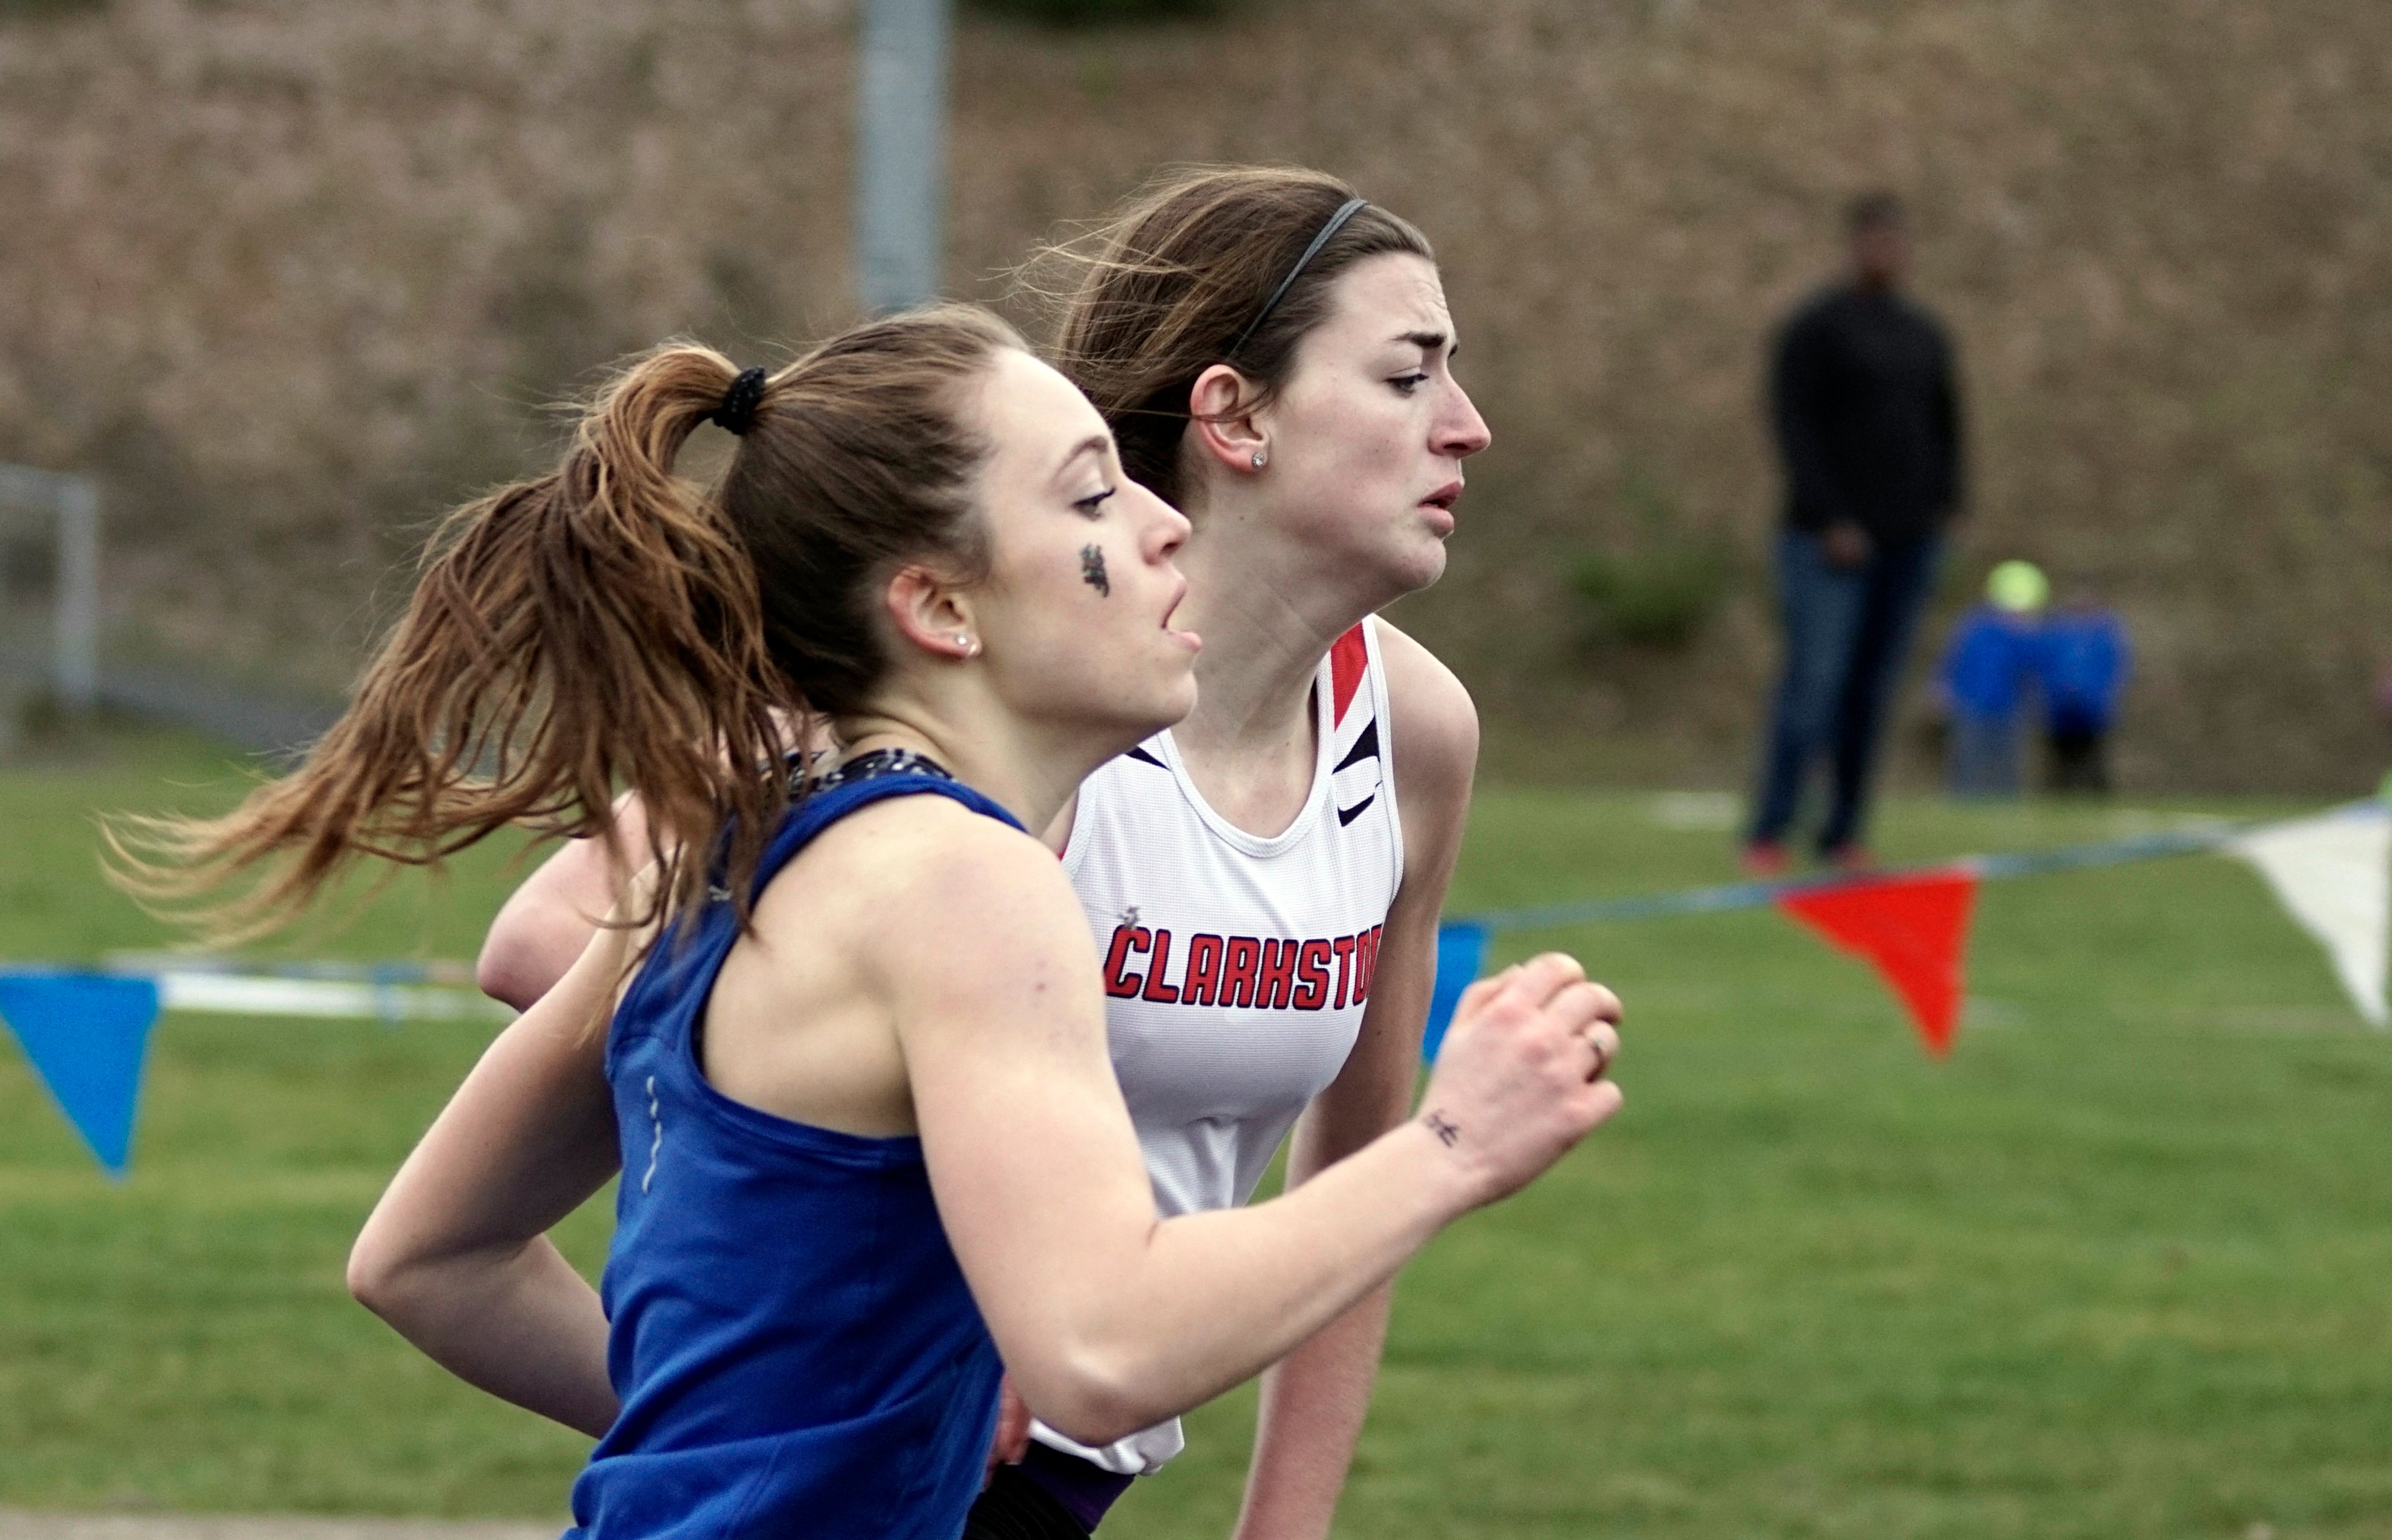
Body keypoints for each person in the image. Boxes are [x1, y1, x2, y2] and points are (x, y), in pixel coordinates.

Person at [111, 307, 1626, 1539]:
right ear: (940, 610)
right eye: (1093, 493)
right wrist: (1448, 1150)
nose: (1166, 528)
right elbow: (1102, 1346)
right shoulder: (969, 887)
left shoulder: (748, 843)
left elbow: (427, 1256)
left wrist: (824, 1436)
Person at [475, 168, 1504, 1538]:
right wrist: (939, 1326)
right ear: (1236, 414)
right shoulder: (1014, 704)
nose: (1468, 427)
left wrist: (1285, 1526)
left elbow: (1354, 1171)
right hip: (960, 1441)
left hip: (1068, 1467)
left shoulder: (1411, 732)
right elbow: (551, 933)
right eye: (1408, 374)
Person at [1746, 191, 1965, 871]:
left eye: (1899, 241)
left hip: (1907, 542)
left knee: (1872, 694)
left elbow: (1946, 425)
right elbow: (1793, 426)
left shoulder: (1923, 333)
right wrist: (1830, 518)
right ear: (1856, 245)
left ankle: (1842, 833)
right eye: (1877, 240)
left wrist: (1946, 506)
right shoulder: (1817, 328)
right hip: (1827, 545)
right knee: (1815, 684)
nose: (1888, 253)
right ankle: (1769, 829)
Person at [1937, 559, 2047, 796]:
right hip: (1972, 704)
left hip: (2009, 708)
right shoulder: (1975, 626)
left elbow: (2036, 670)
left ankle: (2004, 807)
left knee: (2006, 765)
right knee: (1968, 762)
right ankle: (1963, 804)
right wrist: (1942, 689)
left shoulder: (2030, 634)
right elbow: (1953, 659)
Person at [2036, 581, 2130, 793]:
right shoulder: (2056, 630)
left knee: (2093, 757)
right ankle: (2059, 798)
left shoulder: (2106, 632)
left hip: (2092, 708)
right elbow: (2044, 665)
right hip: (2060, 708)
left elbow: (2114, 669)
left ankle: (2097, 798)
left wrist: (2100, 698)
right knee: (2060, 759)